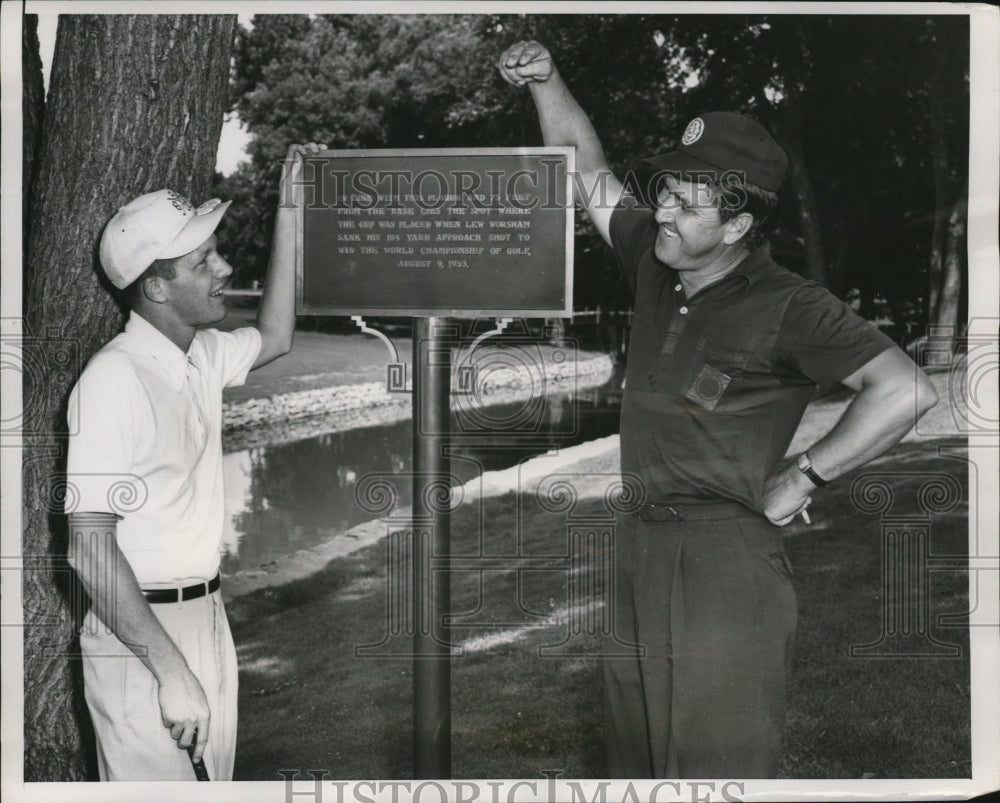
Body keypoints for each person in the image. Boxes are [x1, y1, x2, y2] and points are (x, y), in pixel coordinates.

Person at [498, 41, 938, 778]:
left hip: (725, 565)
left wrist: (804, 476)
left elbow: (907, 388)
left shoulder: (791, 305)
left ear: (737, 226)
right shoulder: (656, 255)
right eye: (665, 190)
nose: (662, 208)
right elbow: (585, 169)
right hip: (638, 546)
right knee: (634, 765)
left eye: (684, 202)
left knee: (714, 770)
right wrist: (549, 81)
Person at [65, 142, 324, 780]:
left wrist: (290, 206)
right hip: (142, 637)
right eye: (202, 260)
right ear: (155, 286)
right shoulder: (112, 380)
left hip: (205, 616)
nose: (224, 268)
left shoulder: (200, 355)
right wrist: (170, 668)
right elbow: (88, 548)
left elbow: (279, 334)